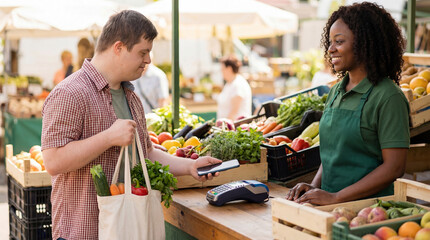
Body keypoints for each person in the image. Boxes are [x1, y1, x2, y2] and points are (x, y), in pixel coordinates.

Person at [41, 10, 222, 239]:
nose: (148, 60)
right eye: (143, 52)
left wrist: (190, 167)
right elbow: (53, 161)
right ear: (118, 48)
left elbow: (145, 152)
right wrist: (108, 137)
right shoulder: (70, 94)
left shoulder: (131, 97)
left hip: (127, 229)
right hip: (82, 231)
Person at [286, 2, 409, 205]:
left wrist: (336, 197)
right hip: (330, 207)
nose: (331, 49)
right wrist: (315, 186)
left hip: (369, 211)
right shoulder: (336, 91)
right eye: (330, 42)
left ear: (363, 43)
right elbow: (333, 153)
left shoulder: (388, 97)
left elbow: (394, 167)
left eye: (339, 42)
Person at [216, 55, 252, 120]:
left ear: (229, 69)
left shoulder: (238, 84)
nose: (221, 72)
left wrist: (223, 126)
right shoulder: (229, 83)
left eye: (222, 69)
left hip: (236, 127)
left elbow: (234, 112)